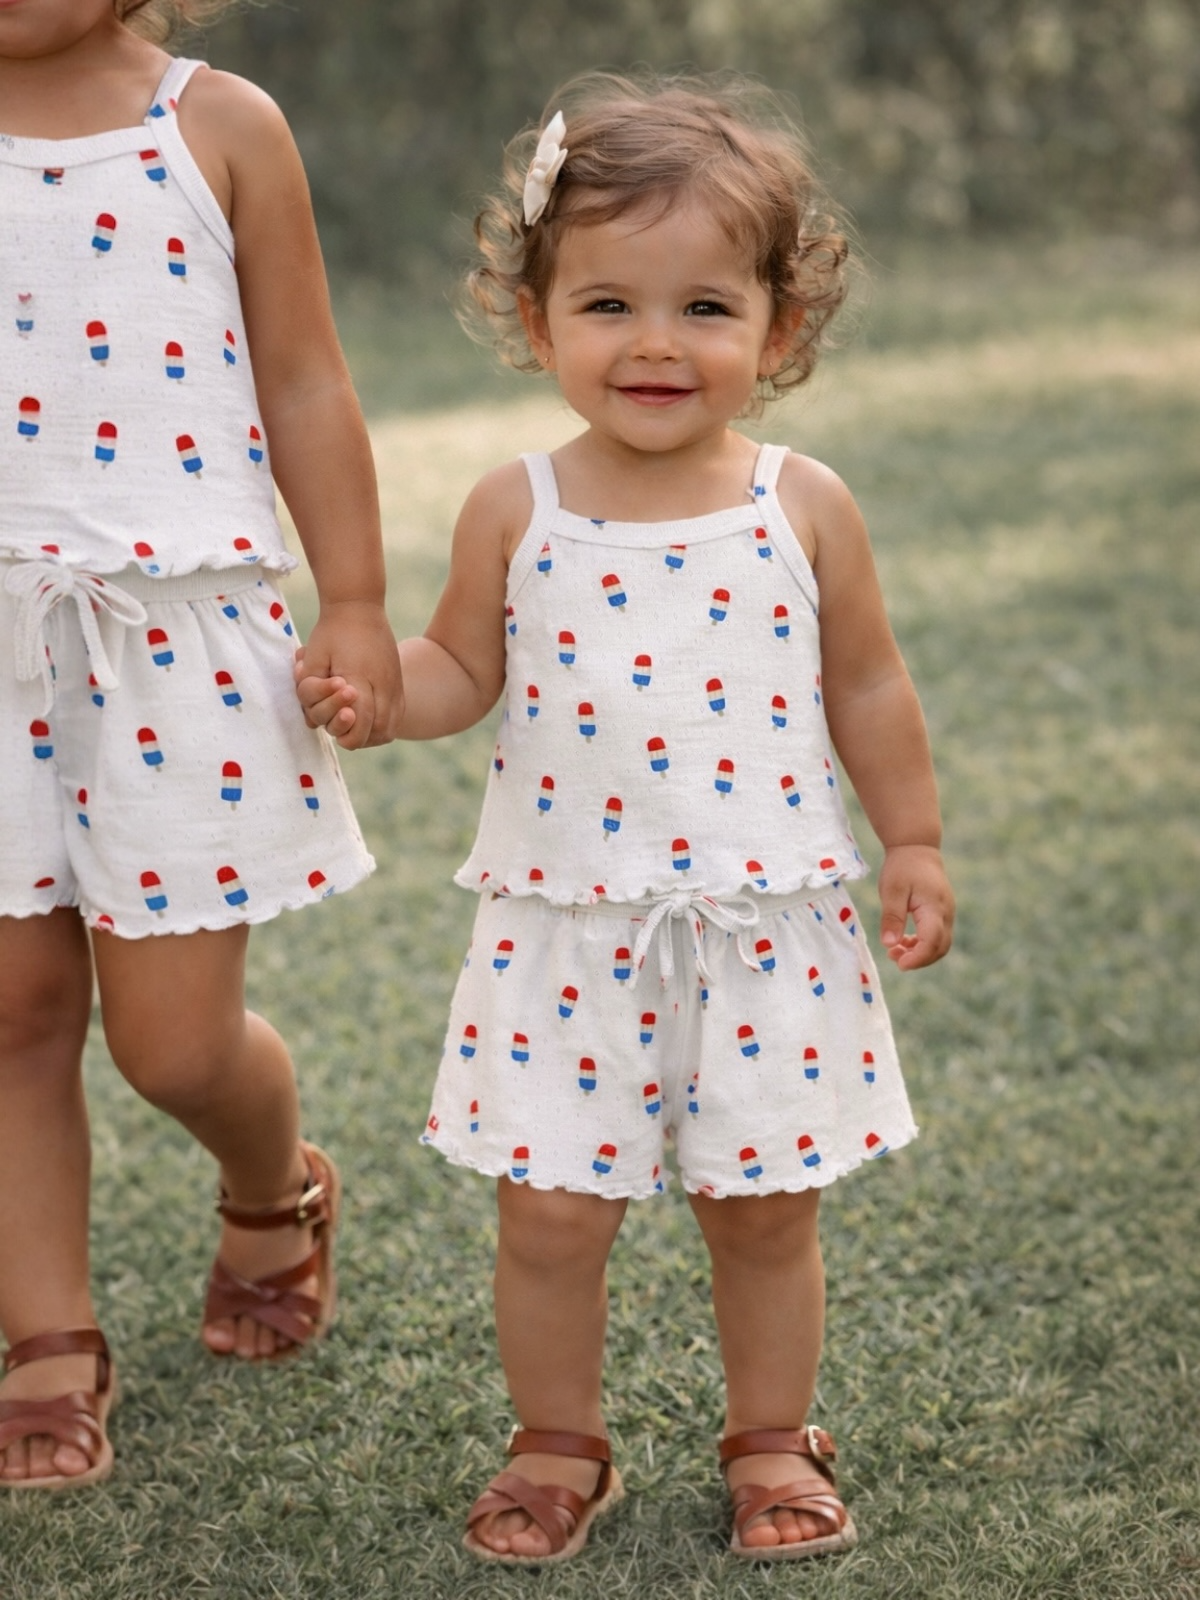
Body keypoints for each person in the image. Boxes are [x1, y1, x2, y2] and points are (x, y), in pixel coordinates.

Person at [299, 71, 955, 1564]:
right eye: (606, 306)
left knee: (765, 1210)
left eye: (706, 309)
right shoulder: (513, 505)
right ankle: (557, 1446)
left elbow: (867, 685)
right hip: (565, 930)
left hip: (760, 923)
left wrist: (909, 837)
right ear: (537, 324)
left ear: (778, 331)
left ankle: (773, 1442)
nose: (655, 343)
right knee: (548, 1217)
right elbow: (464, 662)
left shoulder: (804, 503)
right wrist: (384, 688)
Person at [0, 0, 398, 1490]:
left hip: (170, 638)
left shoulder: (218, 124)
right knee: (13, 1010)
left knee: (168, 1044)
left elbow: (302, 380)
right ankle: (47, 1340)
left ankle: (273, 1184)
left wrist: (353, 599)